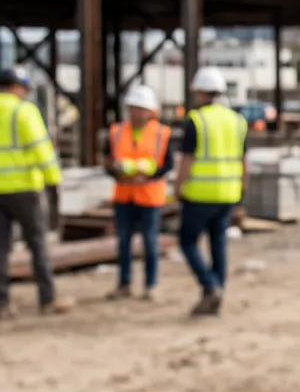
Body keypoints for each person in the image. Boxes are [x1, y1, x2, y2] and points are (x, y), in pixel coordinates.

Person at [0, 67, 67, 318]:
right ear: (16, 87)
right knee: (38, 243)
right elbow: (41, 149)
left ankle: (1, 302)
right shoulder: (23, 112)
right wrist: (54, 180)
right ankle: (47, 300)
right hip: (24, 187)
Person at [174, 67, 248, 317]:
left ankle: (210, 285)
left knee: (187, 241)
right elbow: (243, 159)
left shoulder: (197, 120)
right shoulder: (237, 121)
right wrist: (241, 189)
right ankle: (217, 292)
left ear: (202, 92)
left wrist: (177, 187)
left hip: (200, 194)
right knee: (218, 244)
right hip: (228, 193)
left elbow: (187, 159)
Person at [104, 84, 172, 301]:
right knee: (123, 242)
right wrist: (117, 173)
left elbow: (167, 164)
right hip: (124, 195)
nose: (137, 112)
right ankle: (124, 284)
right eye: (133, 108)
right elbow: (107, 161)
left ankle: (151, 285)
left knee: (150, 242)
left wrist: (149, 176)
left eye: (141, 108)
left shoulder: (161, 133)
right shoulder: (116, 132)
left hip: (150, 196)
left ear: (150, 111)